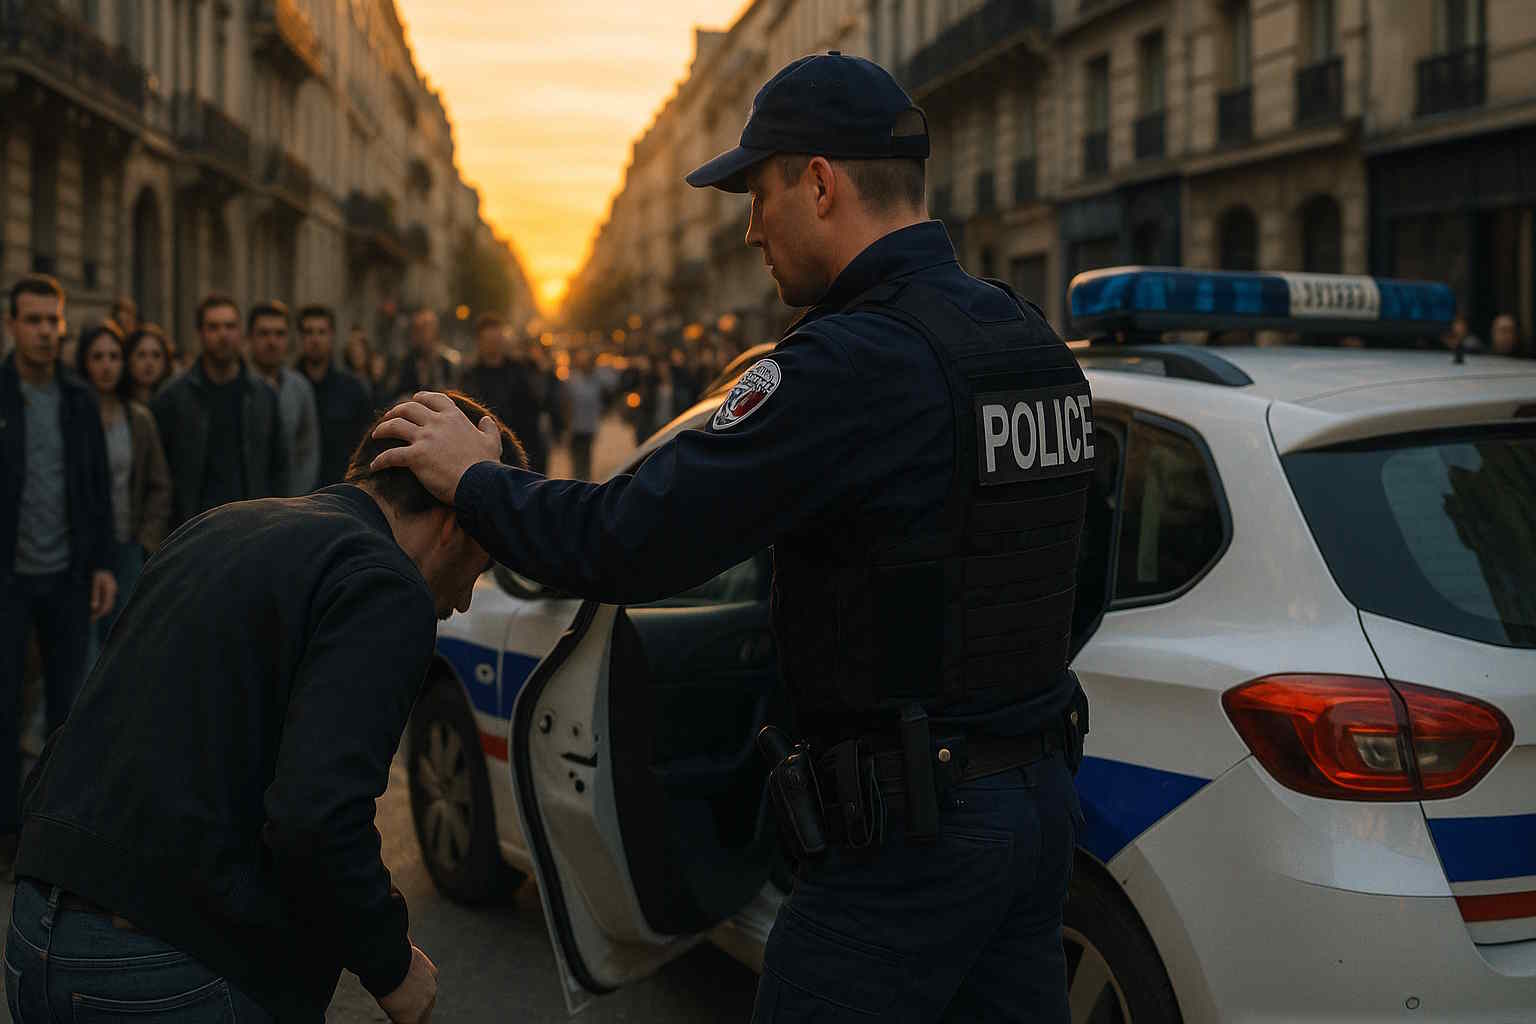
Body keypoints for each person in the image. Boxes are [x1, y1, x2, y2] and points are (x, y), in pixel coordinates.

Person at [373, 52, 1091, 1023]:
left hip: (899, 847)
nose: (750, 227)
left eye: (758, 192)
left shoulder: (846, 361)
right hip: (1039, 810)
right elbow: (1077, 570)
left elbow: (632, 534)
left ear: (821, 182)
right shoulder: (1029, 340)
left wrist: (477, 479)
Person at [6, 393, 526, 1024]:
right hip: (166, 966)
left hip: (38, 934)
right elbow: (317, 818)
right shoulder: (387, 584)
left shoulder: (223, 523)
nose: (468, 599)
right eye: (482, 564)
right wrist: (394, 967)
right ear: (457, 522)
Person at [0, 275, 117, 877]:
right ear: (12, 324)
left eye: (54, 320)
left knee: (65, 711)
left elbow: (95, 490)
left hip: (68, 578)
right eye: (34, 320)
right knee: (5, 707)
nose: (46, 331)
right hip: (9, 582)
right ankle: (8, 831)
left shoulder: (76, 400)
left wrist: (99, 565)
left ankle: (50, 832)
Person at [151, 294, 288, 529]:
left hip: (252, 524)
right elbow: (159, 474)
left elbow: (278, 467)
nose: (223, 335)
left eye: (230, 326)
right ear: (201, 334)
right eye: (213, 327)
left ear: (241, 333)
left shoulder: (262, 396)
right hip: (192, 527)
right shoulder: (172, 397)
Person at [75, 322, 171, 644]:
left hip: (127, 545)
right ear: (85, 362)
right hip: (79, 550)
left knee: (122, 640)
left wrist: (146, 540)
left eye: (114, 356)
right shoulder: (73, 414)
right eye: (97, 356)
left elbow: (159, 484)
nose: (106, 365)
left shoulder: (138, 418)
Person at [247, 300, 320, 496]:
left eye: (279, 334)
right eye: (263, 333)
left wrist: (293, 501)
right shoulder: (240, 387)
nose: (272, 341)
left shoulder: (300, 387)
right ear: (250, 338)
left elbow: (307, 451)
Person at [299, 304, 376, 488]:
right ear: (300, 338)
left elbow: (366, 446)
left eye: (321, 332)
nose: (315, 339)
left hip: (339, 492)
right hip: (293, 497)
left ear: (332, 336)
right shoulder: (289, 388)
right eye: (309, 332)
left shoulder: (352, 389)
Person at [462, 314, 545, 475]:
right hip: (484, 458)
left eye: (498, 340)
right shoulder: (470, 377)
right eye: (490, 340)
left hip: (521, 455)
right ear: (480, 342)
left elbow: (535, 409)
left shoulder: (520, 371)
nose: (495, 345)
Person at [392, 309, 458, 402]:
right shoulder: (407, 362)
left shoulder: (445, 362)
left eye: (428, 328)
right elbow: (398, 394)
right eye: (420, 329)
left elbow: (453, 390)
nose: (424, 334)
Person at [562, 348, 603, 479]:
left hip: (589, 428)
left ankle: (585, 486)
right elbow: (568, 404)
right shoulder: (573, 380)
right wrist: (567, 428)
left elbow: (598, 404)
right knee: (576, 463)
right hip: (575, 428)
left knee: (586, 462)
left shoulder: (596, 381)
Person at [123, 324, 174, 403]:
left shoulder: (175, 402)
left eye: (156, 355)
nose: (149, 363)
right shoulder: (120, 405)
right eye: (141, 355)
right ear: (129, 360)